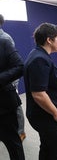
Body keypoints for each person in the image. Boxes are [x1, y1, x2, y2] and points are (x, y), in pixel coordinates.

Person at [24, 23, 57, 160]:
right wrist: (55, 113)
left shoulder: (39, 55)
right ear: (49, 40)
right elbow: (38, 94)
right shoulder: (39, 59)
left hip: (44, 115)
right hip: (48, 116)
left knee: (47, 148)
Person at [0, 14, 25, 159]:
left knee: (13, 142)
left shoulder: (4, 40)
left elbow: (18, 66)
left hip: (4, 100)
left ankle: (21, 132)